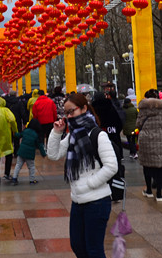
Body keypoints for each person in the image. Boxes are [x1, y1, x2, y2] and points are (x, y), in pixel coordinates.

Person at [47, 93, 117, 258]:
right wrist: (57, 132)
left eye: (72, 111)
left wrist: (90, 184)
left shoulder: (98, 135)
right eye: (66, 113)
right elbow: (54, 154)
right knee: (77, 245)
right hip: (78, 201)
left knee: (94, 249)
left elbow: (111, 166)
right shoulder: (73, 136)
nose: (69, 116)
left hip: (97, 201)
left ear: (84, 108)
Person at [137, 92, 162, 202]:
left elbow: (138, 124)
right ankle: (159, 193)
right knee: (160, 166)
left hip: (145, 141)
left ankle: (148, 190)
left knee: (147, 165)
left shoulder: (143, 110)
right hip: (160, 140)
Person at [10, 117, 46, 185]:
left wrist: (14, 133)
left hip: (21, 152)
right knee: (31, 167)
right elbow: (40, 145)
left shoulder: (26, 131)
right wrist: (43, 154)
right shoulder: (36, 135)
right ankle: (32, 180)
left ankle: (14, 178)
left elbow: (19, 135)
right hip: (30, 154)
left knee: (18, 165)